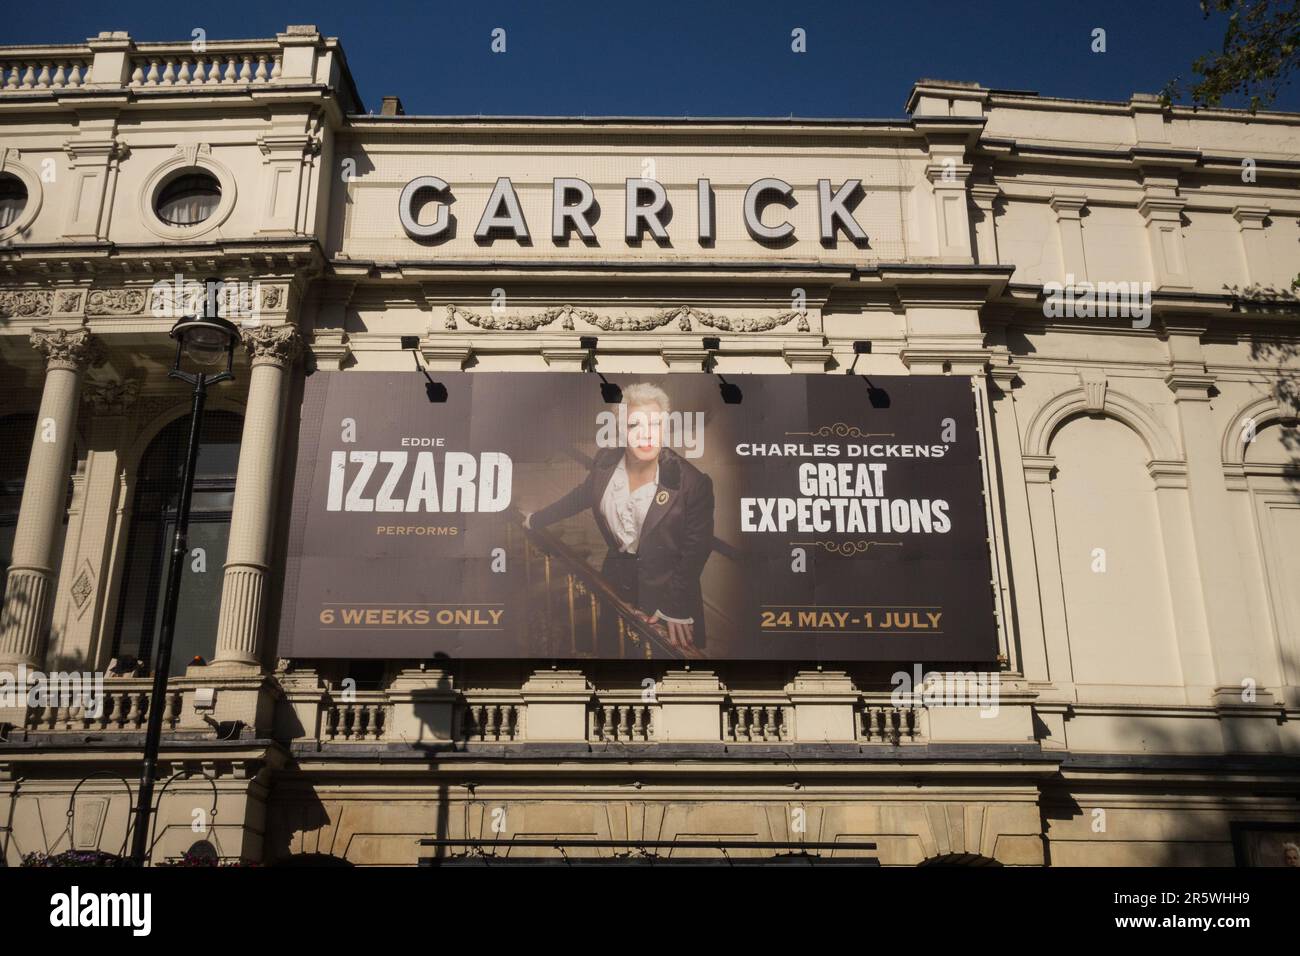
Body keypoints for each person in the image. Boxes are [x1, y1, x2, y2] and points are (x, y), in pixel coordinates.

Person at [527, 383, 714, 653]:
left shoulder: (693, 483)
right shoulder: (604, 462)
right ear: (621, 429)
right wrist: (535, 520)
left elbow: (696, 552)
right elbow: (579, 497)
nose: (646, 435)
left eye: (655, 424)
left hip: (668, 596)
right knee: (617, 664)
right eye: (634, 425)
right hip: (615, 586)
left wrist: (676, 607)